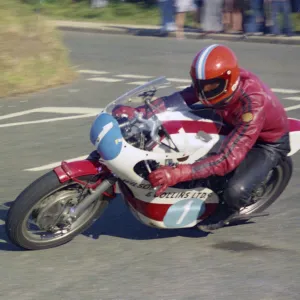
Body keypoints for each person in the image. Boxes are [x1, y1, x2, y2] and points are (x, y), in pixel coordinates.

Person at [111, 44, 291, 232]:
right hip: (230, 120)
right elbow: (182, 97)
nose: (204, 92)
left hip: (265, 142)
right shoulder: (215, 83)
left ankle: (227, 212)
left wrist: (178, 173)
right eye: (200, 85)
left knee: (235, 191)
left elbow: (228, 158)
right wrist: (141, 112)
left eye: (211, 86)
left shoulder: (252, 105)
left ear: (228, 80)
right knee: (179, 135)